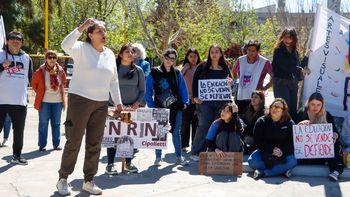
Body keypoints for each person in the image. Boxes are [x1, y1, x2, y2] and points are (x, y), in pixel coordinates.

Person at [56, 18, 123, 196]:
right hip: (80, 100)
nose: (104, 34)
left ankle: (88, 180)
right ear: (90, 34)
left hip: (101, 104)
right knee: (74, 141)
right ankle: (63, 178)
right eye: (99, 31)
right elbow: (64, 44)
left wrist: (118, 102)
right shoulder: (81, 48)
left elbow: (114, 81)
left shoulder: (109, 54)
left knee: (94, 144)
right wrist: (82, 26)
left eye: (104, 31)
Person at [145, 48, 189, 166]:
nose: (169, 60)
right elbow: (148, 90)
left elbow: (182, 88)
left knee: (176, 132)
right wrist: (151, 106)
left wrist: (185, 102)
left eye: (172, 59)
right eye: (167, 58)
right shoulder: (154, 72)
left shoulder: (177, 73)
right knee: (160, 132)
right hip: (160, 108)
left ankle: (179, 157)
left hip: (176, 107)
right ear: (163, 57)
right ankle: (158, 158)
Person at [106, 44, 145, 175]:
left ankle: (128, 162)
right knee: (113, 136)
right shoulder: (113, 69)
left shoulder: (138, 70)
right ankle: (110, 164)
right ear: (121, 54)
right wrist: (112, 104)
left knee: (128, 136)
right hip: (114, 108)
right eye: (127, 51)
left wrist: (137, 103)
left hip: (130, 109)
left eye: (132, 52)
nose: (130, 54)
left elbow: (142, 91)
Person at [190, 45, 233, 161]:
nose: (214, 54)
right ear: (209, 54)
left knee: (217, 126)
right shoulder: (202, 66)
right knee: (203, 125)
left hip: (221, 103)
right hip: (205, 103)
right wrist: (195, 97)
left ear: (220, 54)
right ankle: (197, 151)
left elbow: (230, 81)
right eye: (212, 52)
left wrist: (230, 82)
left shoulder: (225, 67)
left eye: (216, 52)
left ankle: (213, 151)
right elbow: (195, 82)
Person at [0, 31, 33, 165]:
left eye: (18, 39)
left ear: (22, 42)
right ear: (7, 41)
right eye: (12, 38)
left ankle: (17, 156)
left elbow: (29, 78)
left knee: (19, 131)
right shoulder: (1, 55)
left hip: (19, 101)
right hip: (1, 100)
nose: (15, 41)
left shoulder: (27, 58)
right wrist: (2, 66)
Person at [296, 92, 344, 181]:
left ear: (322, 105)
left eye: (318, 105)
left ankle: (336, 170)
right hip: (305, 151)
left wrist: (333, 136)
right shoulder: (301, 113)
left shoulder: (326, 115)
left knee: (335, 143)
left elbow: (335, 131)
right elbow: (293, 132)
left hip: (321, 151)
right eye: (313, 104)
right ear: (308, 103)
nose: (315, 107)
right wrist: (299, 125)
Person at [248, 98, 297, 179]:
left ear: (283, 111)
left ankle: (265, 173)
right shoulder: (261, 121)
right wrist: (272, 149)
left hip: (282, 153)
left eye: (278, 108)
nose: (275, 109)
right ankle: (281, 170)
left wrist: (282, 151)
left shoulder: (289, 123)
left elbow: (292, 143)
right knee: (251, 161)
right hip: (265, 151)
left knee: (293, 161)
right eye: (273, 106)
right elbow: (258, 142)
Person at [32, 50, 66, 151]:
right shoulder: (40, 71)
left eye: (54, 57)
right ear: (46, 59)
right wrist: (41, 93)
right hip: (44, 102)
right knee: (43, 124)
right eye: (49, 57)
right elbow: (34, 85)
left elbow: (63, 83)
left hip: (57, 102)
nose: (52, 59)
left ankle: (56, 144)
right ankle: (42, 145)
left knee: (56, 124)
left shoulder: (60, 70)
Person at [272, 28, 310, 119]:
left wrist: (307, 57)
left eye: (289, 37)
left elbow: (298, 67)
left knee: (293, 109)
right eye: (284, 37)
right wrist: (301, 70)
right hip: (281, 83)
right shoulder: (278, 51)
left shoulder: (295, 52)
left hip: (293, 83)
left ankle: (292, 130)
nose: (287, 40)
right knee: (284, 109)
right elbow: (286, 66)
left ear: (294, 38)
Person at [232, 40, 272, 112]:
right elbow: (234, 72)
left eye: (253, 51)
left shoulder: (264, 62)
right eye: (249, 50)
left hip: (256, 96)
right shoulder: (240, 60)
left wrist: (265, 87)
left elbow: (274, 76)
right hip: (242, 95)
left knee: (255, 117)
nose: (250, 53)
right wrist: (237, 82)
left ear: (258, 51)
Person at [180, 48, 201, 151]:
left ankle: (195, 144)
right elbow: (178, 78)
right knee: (185, 122)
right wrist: (185, 68)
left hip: (198, 100)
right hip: (186, 99)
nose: (193, 59)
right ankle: (183, 144)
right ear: (187, 57)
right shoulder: (185, 68)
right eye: (191, 56)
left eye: (195, 56)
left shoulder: (201, 68)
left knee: (197, 123)